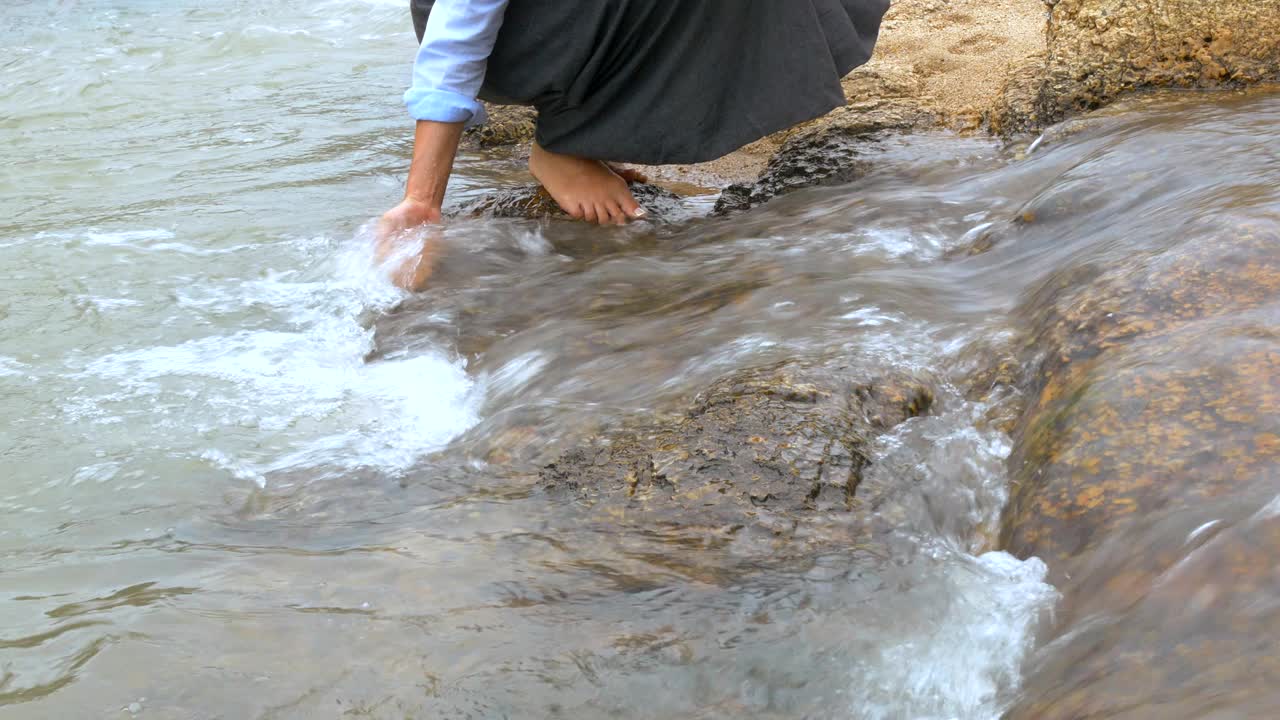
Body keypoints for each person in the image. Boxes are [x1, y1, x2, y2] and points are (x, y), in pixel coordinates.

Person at [378, 0, 890, 240]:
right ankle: (565, 142)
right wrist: (422, 200)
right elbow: (455, 36)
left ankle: (589, 127)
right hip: (520, 39)